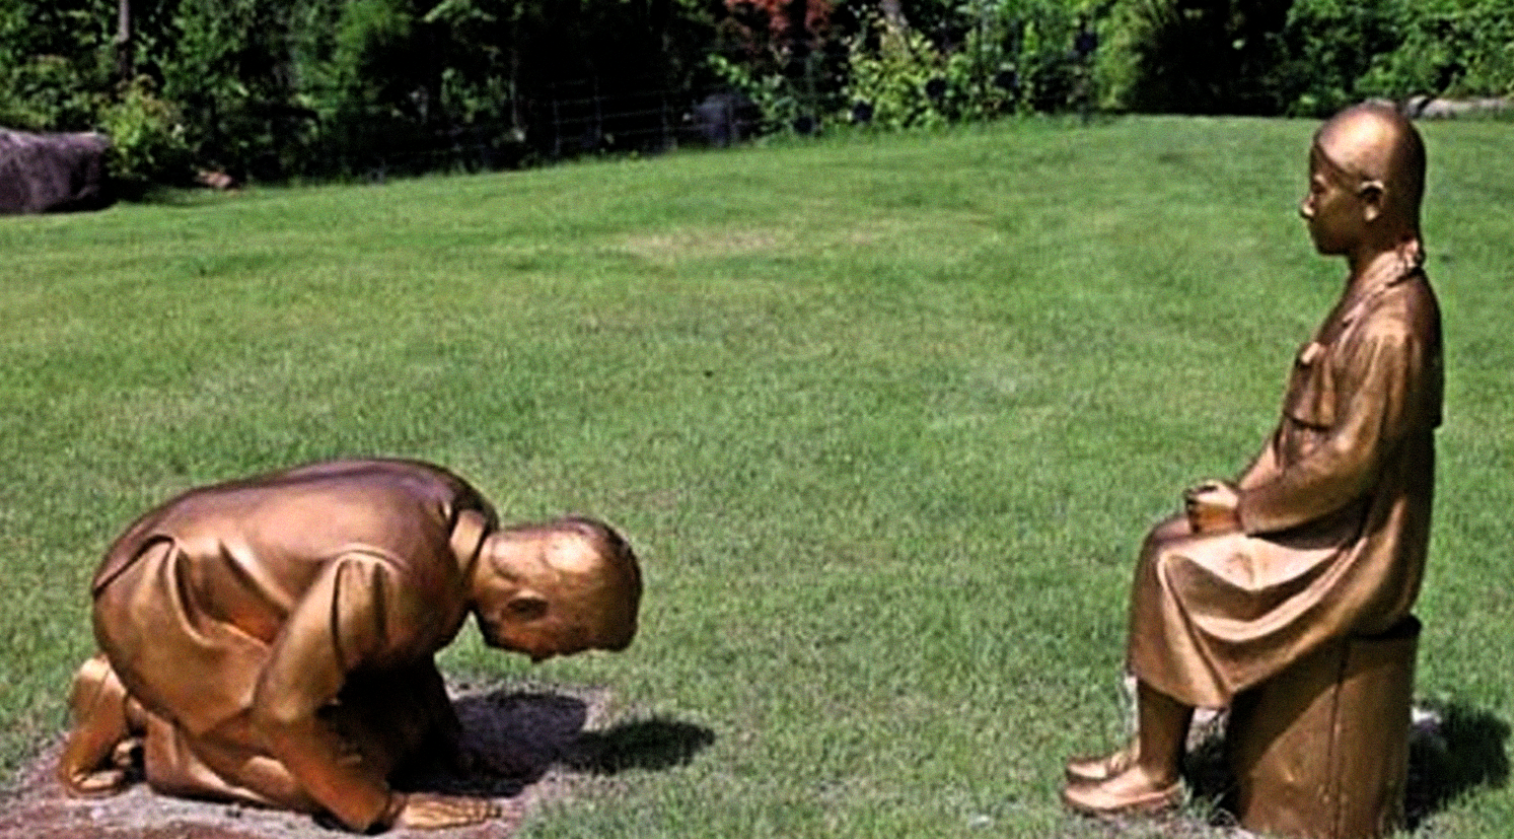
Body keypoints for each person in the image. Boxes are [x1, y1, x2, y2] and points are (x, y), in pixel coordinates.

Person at [1062, 101, 1442, 816]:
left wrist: (1249, 512)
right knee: (1170, 540)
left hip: (1359, 552)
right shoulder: (1362, 296)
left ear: (1370, 204)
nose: (1305, 205)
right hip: (1325, 522)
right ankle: (1152, 751)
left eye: (1320, 187)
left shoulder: (1396, 324)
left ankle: (1155, 773)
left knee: (1179, 567)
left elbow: (1350, 463)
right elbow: (1294, 431)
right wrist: (1239, 492)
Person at [58, 458, 642, 832]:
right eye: (559, 645)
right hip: (159, 600)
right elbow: (284, 708)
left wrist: (447, 735)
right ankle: (130, 701)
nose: (541, 658)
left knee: (389, 737)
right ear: (526, 606)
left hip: (222, 581)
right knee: (313, 778)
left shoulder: (460, 520)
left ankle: (184, 710)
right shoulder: (384, 573)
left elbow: (403, 649)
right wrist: (383, 809)